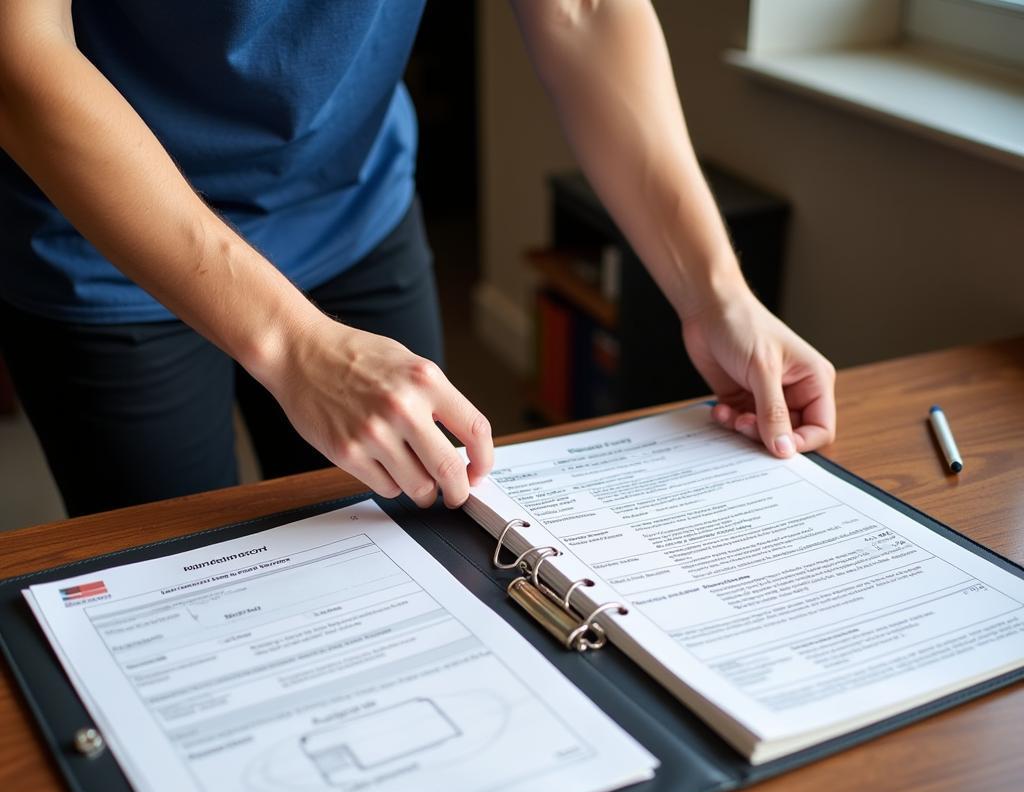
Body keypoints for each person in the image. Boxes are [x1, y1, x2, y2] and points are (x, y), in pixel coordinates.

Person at [0, 0, 836, 519]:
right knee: (179, 599)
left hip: (351, 198)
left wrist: (714, 291)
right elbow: (21, 57)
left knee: (421, 530)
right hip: (106, 236)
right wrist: (293, 346)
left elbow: (581, 9)